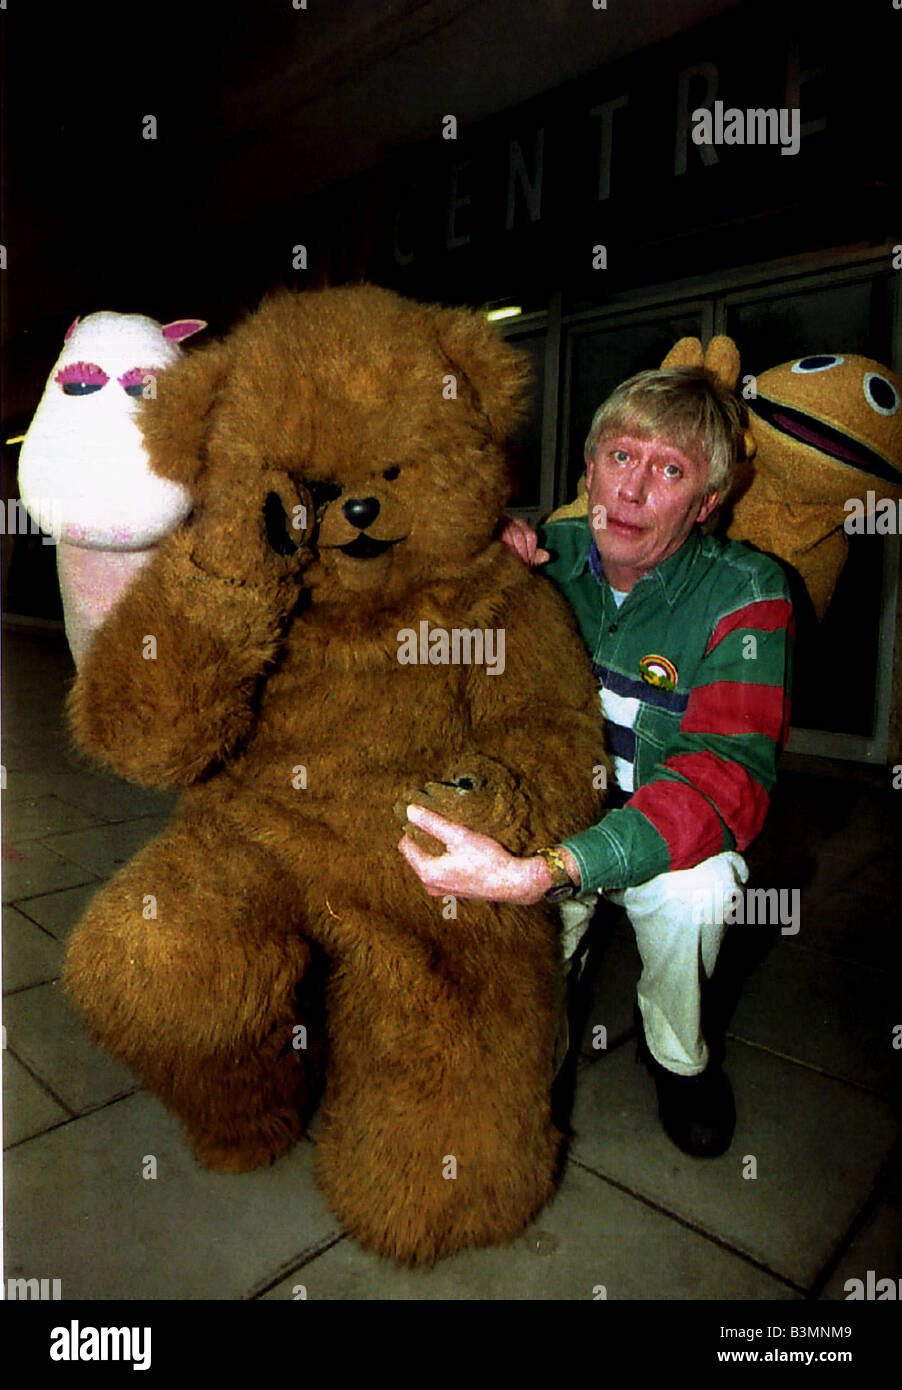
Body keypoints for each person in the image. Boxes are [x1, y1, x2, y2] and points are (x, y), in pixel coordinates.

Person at [399, 363, 794, 1157]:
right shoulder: (542, 555)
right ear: (588, 471)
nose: (635, 489)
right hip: (557, 811)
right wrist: (473, 571)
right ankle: (535, 1042)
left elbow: (727, 779)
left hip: (658, 834)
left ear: (708, 504)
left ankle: (678, 1058)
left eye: (671, 470)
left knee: (701, 893)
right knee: (518, 985)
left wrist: (552, 869)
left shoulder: (748, 592)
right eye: (621, 457)